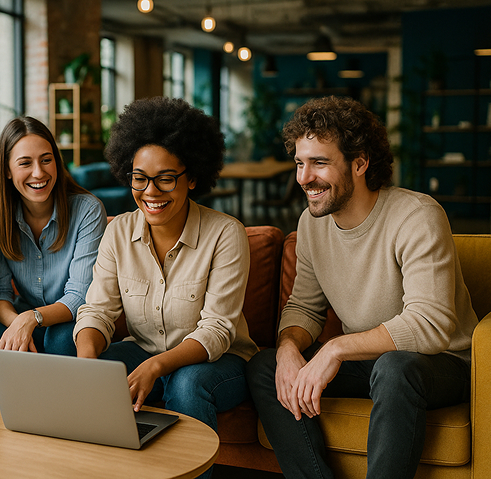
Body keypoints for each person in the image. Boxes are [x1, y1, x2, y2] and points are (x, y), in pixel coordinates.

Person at [246, 95, 478, 479]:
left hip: (440, 364)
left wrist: (335, 348)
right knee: (263, 365)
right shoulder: (311, 224)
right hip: (370, 363)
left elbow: (431, 325)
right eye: (300, 163)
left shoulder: (417, 216)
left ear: (359, 162)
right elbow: (304, 307)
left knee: (394, 368)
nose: (304, 178)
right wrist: (288, 348)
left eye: (320, 163)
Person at [74, 96, 258, 478]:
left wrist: (156, 366)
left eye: (166, 178)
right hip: (144, 353)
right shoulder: (118, 232)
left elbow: (217, 330)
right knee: (91, 375)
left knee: (187, 385)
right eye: (139, 178)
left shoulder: (225, 233)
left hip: (217, 364)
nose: (151, 191)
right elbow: (98, 311)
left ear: (192, 178)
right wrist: (86, 364)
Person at [0, 116, 106, 355]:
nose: (38, 173)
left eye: (46, 160)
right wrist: (18, 325)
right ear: (7, 170)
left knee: (62, 338)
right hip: (22, 315)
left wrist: (32, 319)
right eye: (25, 163)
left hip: (69, 318)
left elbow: (79, 295)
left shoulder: (87, 210)